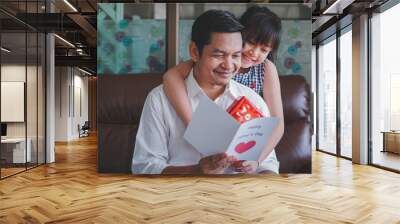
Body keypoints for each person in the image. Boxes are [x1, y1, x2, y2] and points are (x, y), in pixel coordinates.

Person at [131, 9, 279, 174]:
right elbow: (144, 167)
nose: (229, 65)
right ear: (194, 52)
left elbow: (269, 165)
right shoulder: (159, 100)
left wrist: (259, 167)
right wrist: (195, 171)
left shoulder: (255, 101)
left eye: (236, 55)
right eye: (219, 55)